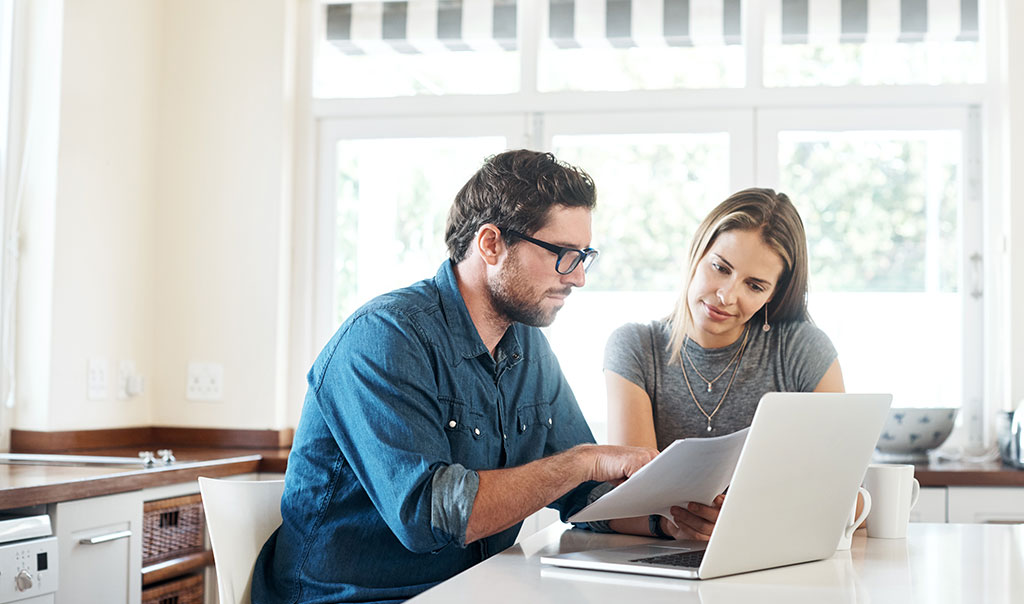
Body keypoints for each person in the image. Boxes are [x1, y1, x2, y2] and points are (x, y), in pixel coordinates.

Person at [251, 150, 658, 604]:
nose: (579, 277)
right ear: (490, 244)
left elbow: (585, 493)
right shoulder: (385, 337)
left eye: (584, 256)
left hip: (471, 590)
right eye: (563, 254)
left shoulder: (528, 347)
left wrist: (669, 519)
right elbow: (429, 515)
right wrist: (584, 459)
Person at [603, 188, 845, 542]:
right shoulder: (636, 347)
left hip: (770, 556)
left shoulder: (802, 349)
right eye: (720, 267)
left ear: (773, 295)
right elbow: (634, 498)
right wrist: (679, 524)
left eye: (755, 285)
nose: (727, 296)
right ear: (697, 252)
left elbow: (844, 495)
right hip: (666, 563)